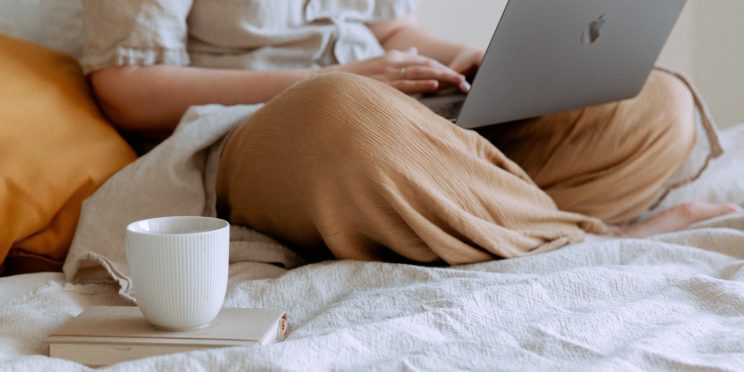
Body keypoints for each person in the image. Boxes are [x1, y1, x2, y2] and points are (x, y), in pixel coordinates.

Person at [81, 0, 739, 265]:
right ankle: (600, 238)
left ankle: (463, 212)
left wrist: (469, 62)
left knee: (655, 103)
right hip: (273, 129)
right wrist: (350, 79)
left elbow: (395, 30)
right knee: (340, 110)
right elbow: (127, 88)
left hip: (403, 118)